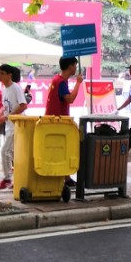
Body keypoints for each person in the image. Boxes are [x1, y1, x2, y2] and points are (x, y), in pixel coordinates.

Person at [45, 56, 84, 187]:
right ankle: (62, 176)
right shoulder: (60, 82)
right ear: (70, 66)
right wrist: (78, 83)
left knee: (61, 149)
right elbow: (70, 99)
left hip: (54, 120)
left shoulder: (58, 80)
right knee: (61, 149)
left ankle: (66, 177)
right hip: (57, 121)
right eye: (75, 65)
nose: (76, 68)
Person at [0, 64, 27, 189]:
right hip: (10, 126)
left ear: (9, 75)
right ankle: (18, 179)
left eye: (2, 73)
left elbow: (23, 105)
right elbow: (5, 105)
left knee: (5, 151)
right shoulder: (5, 89)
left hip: (17, 126)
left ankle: (8, 178)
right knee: (14, 155)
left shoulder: (16, 88)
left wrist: (8, 116)